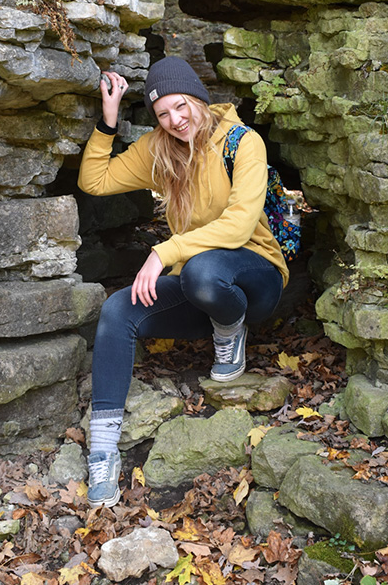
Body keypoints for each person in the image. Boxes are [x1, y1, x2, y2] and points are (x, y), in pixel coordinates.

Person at [78, 56, 289, 508]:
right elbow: (94, 181)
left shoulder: (242, 142)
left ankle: (231, 332)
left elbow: (236, 227)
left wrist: (163, 251)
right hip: (197, 286)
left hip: (254, 280)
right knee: (118, 309)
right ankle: (102, 452)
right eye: (162, 115)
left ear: (197, 97)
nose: (175, 121)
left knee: (202, 271)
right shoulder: (159, 150)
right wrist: (108, 121)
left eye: (180, 107)